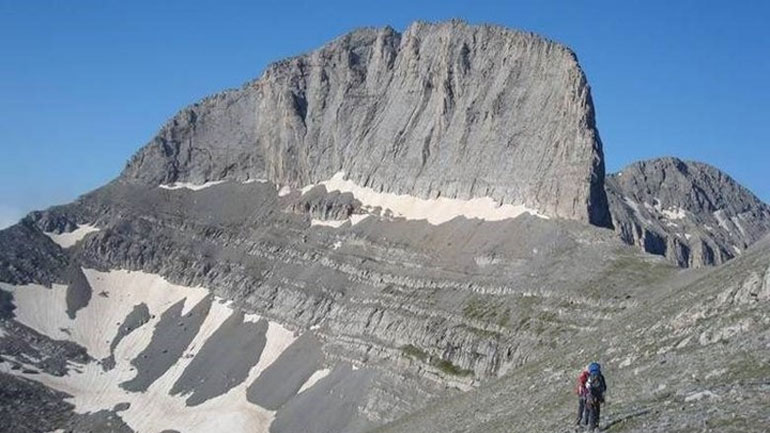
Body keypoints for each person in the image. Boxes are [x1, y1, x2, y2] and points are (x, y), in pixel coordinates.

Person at [584, 362, 607, 431]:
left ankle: (591, 428)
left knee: (592, 411)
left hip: (591, 397)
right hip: (599, 396)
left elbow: (587, 387)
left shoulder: (590, 377)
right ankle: (596, 426)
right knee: (597, 410)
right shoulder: (600, 376)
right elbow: (604, 386)